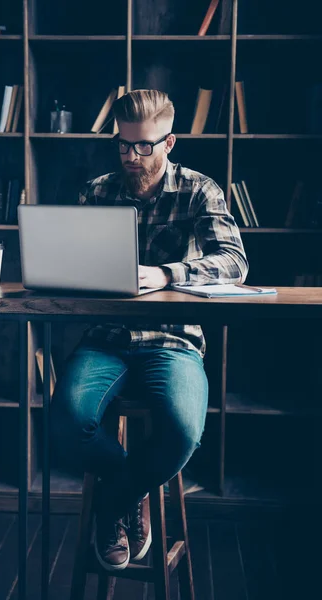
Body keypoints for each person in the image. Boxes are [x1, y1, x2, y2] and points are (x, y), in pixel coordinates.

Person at [51, 89, 248, 572]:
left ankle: (115, 501)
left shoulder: (200, 190)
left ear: (170, 142)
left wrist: (166, 274)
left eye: (144, 146)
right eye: (123, 145)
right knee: (64, 423)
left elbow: (234, 262)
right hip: (106, 339)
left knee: (183, 432)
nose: (132, 157)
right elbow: (73, 265)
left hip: (173, 339)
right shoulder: (97, 190)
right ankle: (129, 493)